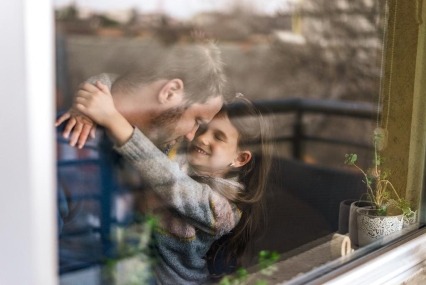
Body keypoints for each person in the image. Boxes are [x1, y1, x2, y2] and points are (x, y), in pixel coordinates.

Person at [72, 80, 272, 284]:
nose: (201, 138)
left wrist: (113, 119)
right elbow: (116, 81)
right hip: (133, 262)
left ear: (240, 159)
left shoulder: (222, 210)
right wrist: (88, 105)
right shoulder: (182, 154)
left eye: (218, 137)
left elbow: (169, 180)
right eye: (203, 127)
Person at [55, 42, 228, 273]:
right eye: (197, 120)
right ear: (169, 92)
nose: (191, 135)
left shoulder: (154, 150)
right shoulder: (63, 155)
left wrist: (98, 94)